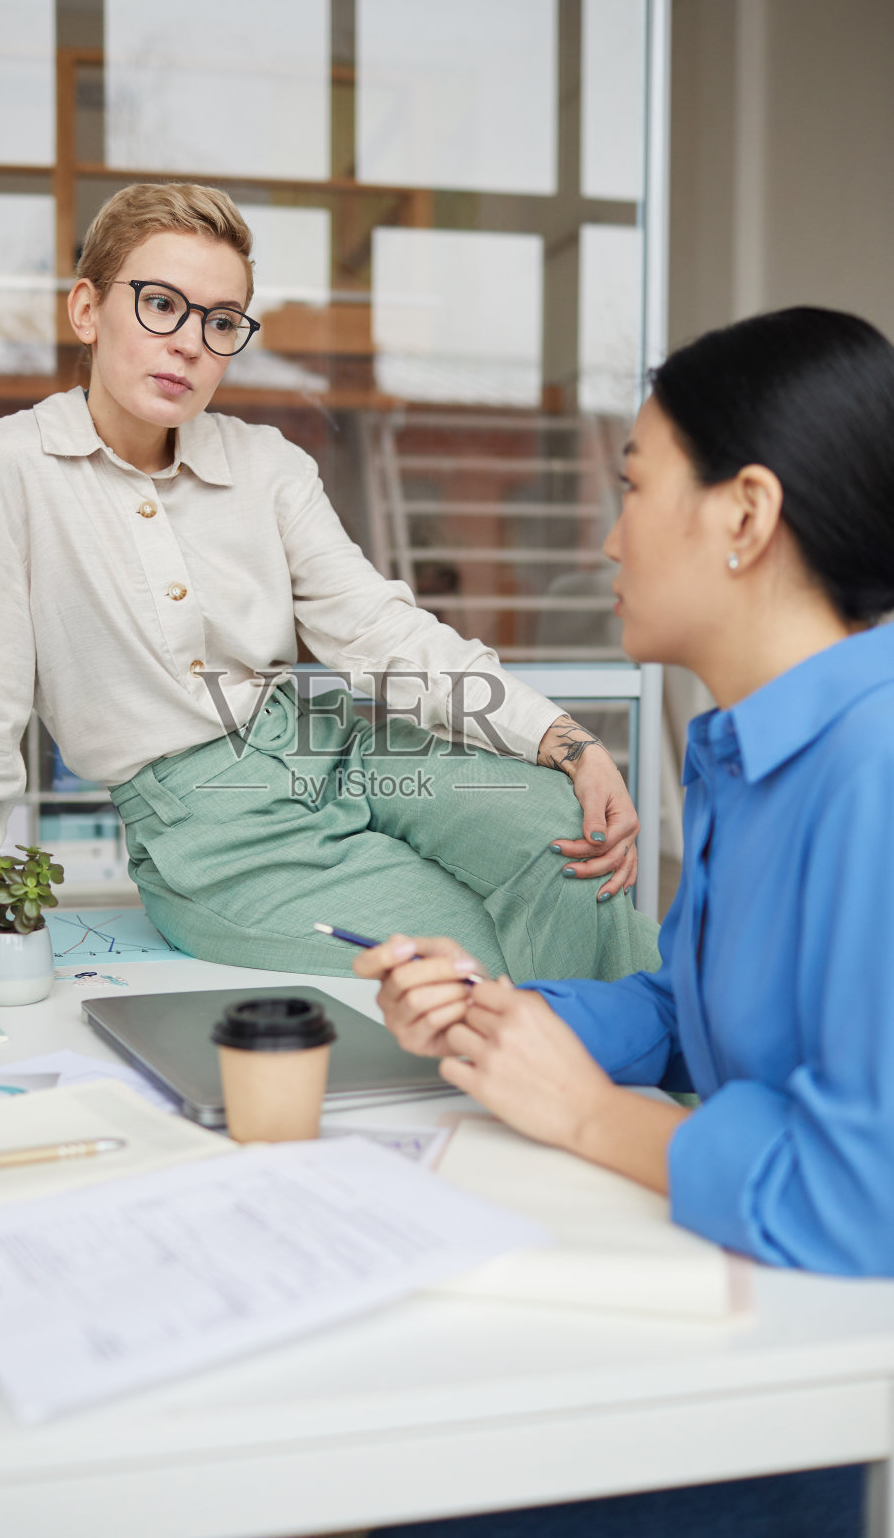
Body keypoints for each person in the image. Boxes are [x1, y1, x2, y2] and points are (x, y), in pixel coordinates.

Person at [0, 182, 658, 982]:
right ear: (86, 310)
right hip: (207, 832)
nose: (189, 342)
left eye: (220, 321)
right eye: (160, 304)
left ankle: (663, 1063)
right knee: (470, 953)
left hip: (341, 748)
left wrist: (567, 741)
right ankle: (624, 1058)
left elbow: (380, 632)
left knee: (563, 832)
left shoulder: (267, 464)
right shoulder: (14, 467)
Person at [356, 304, 894, 1538]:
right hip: (712, 1318)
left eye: (634, 486)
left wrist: (590, 1116)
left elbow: (862, 1191)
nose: (606, 537)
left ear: (744, 515)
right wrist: (496, 1014)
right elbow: (689, 1011)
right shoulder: (755, 744)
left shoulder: (870, 766)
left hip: (761, 1408)